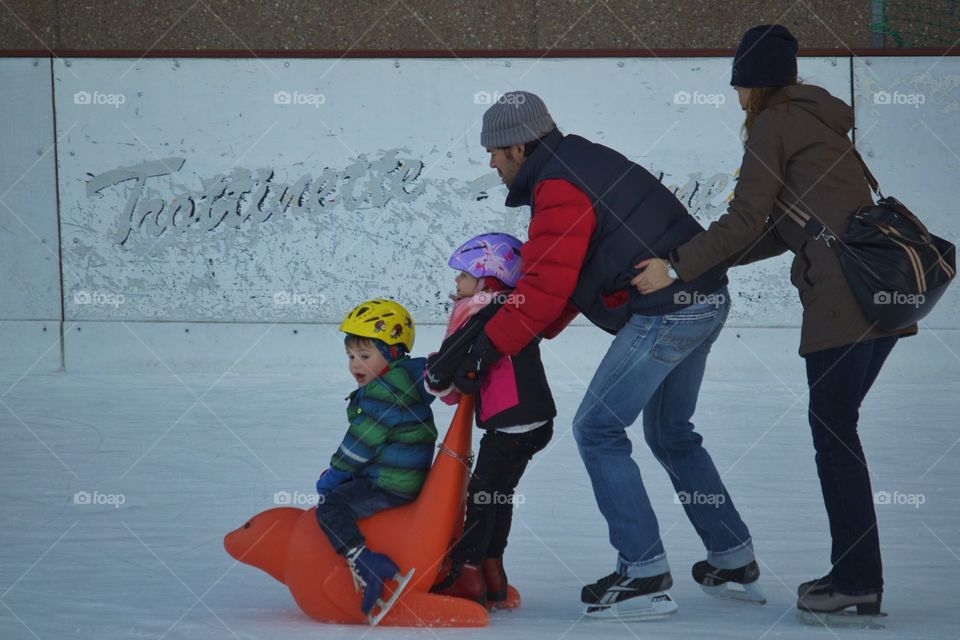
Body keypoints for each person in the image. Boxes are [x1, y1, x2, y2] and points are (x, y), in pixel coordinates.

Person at [632, 25, 916, 624]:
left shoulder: (772, 124)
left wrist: (677, 268)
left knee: (835, 439)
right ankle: (855, 575)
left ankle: (858, 582)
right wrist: (707, 264)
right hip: (880, 295)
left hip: (842, 300)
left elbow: (743, 218)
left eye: (739, 83)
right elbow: (779, 227)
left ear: (751, 82)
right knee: (841, 433)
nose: (736, 95)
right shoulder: (819, 117)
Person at [447, 91, 763, 620]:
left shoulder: (559, 186)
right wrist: (515, 334)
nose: (491, 162)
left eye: (495, 152)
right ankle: (732, 557)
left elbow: (544, 283)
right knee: (671, 434)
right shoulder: (579, 162)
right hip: (703, 300)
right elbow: (567, 280)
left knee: (597, 430)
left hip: (669, 311)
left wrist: (484, 347)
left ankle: (642, 573)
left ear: (520, 148)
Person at [425, 232, 556, 607]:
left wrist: (429, 373)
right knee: (499, 495)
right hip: (537, 421)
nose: (456, 282)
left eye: (463, 275)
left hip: (510, 425)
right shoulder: (513, 308)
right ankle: (491, 572)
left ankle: (468, 576)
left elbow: (442, 371)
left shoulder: (483, 313)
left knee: (481, 497)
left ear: (487, 280)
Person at [314, 298, 439, 618]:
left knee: (331, 506)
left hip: (392, 483)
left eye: (365, 356)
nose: (355, 364)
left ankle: (367, 563)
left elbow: (361, 444)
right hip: (396, 473)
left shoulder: (386, 390)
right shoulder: (403, 380)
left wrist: (335, 475)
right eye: (351, 356)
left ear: (392, 354)